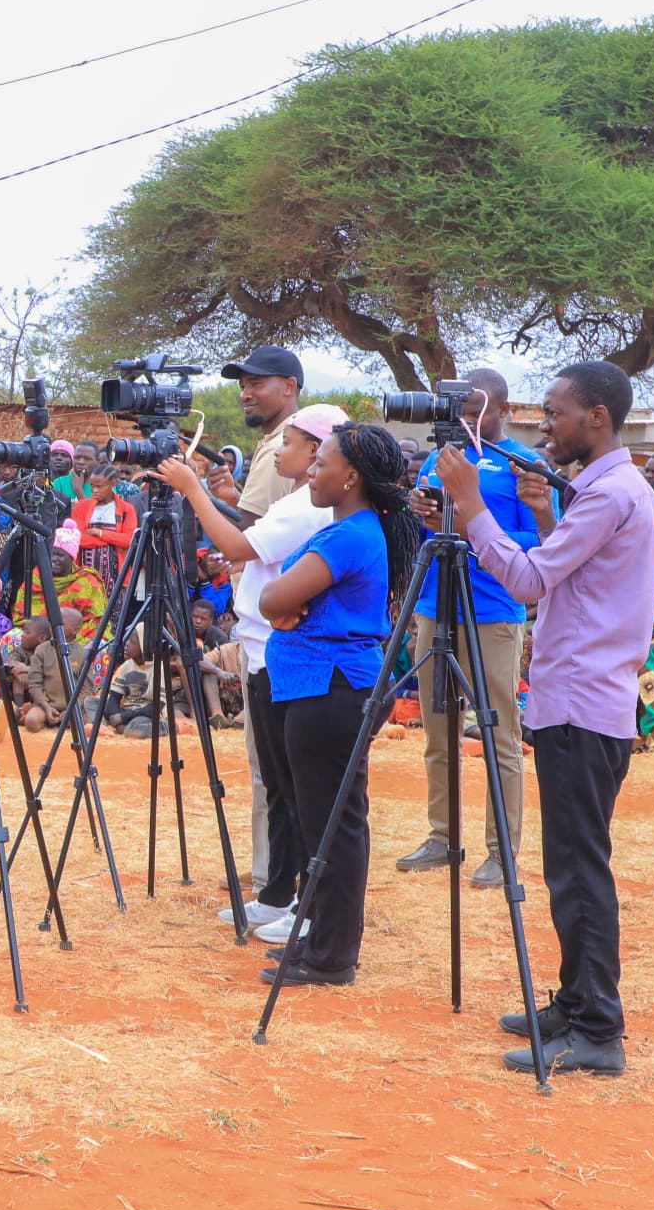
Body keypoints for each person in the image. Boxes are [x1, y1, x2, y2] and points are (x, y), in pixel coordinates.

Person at [430, 360, 654, 1077]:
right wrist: (537, 518)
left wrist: (471, 505)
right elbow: (576, 573)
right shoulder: (605, 489)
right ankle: (573, 1000)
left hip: (583, 705)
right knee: (570, 866)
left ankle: (597, 1029)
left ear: (597, 417)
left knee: (578, 871)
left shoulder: (608, 493)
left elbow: (530, 580)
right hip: (585, 699)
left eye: (556, 413)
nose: (544, 427)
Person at [158, 403, 345, 937]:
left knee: (292, 786)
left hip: (280, 657)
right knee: (282, 786)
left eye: (288, 443)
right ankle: (278, 892)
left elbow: (240, 542)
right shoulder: (299, 501)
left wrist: (193, 490)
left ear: (316, 451)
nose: (279, 452)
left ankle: (304, 906)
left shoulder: (306, 504)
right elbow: (256, 545)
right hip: (267, 652)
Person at [247, 423, 415, 990]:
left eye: (323, 464)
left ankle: (330, 955)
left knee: (333, 826)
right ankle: (322, 943)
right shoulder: (354, 528)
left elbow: (273, 596)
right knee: (328, 821)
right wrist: (287, 606)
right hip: (319, 684)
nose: (312, 473)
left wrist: (284, 605)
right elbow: (282, 600)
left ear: (351, 477)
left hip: (331, 688)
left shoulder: (349, 535)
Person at [396, 368, 540, 892]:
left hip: (493, 612)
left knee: (499, 734)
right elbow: (430, 527)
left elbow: (535, 537)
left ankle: (503, 852)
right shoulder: (440, 459)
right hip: (436, 604)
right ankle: (442, 836)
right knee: (439, 734)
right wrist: (423, 514)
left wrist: (477, 520)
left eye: (474, 406)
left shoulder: (522, 463)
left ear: (500, 408)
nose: (462, 416)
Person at [222, 346, 305, 524]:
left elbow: (247, 542)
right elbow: (269, 520)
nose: (244, 395)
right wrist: (233, 498)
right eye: (243, 386)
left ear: (289, 387)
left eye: (256, 384)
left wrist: (193, 490)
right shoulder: (291, 439)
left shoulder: (279, 448)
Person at [70, 465, 137, 584]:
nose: (95, 490)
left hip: (117, 580)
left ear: (112, 484)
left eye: (99, 487)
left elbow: (129, 541)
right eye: (92, 486)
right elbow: (76, 540)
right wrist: (114, 539)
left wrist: (99, 532)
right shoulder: (82, 506)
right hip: (85, 578)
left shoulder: (126, 509)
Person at [4, 613, 70, 732]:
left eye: (27, 632)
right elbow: (10, 660)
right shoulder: (21, 650)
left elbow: (53, 671)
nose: (22, 636)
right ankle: (20, 709)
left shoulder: (50, 652)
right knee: (18, 676)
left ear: (42, 638)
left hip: (45, 696)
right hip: (25, 693)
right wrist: (20, 668)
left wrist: (29, 670)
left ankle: (33, 712)